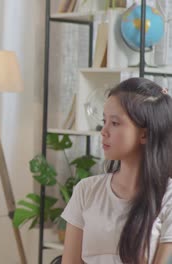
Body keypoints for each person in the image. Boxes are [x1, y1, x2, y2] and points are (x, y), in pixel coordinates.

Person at [62, 77, 172, 264]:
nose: (103, 131)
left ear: (144, 134)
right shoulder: (86, 190)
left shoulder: (168, 196)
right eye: (104, 121)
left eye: (115, 123)